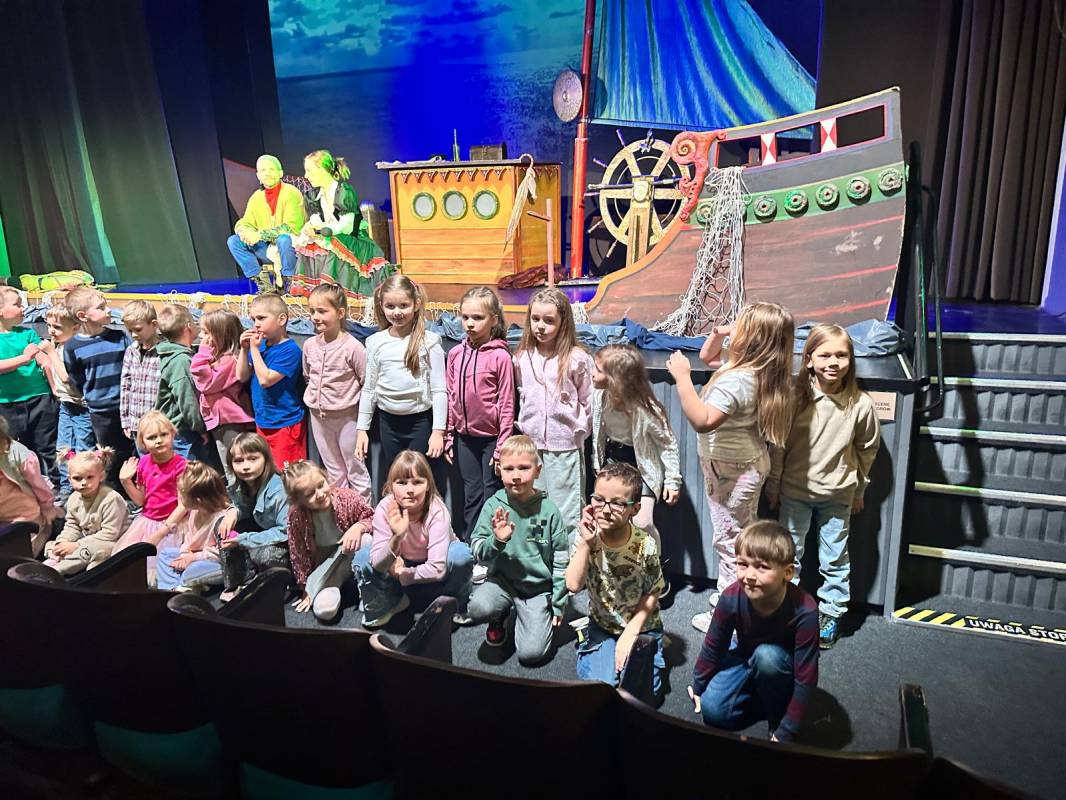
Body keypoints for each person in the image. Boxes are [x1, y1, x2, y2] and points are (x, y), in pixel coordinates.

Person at [666, 302, 794, 633]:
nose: (731, 325)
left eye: (739, 323)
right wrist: (717, 333)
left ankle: (729, 613)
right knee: (738, 534)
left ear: (751, 337)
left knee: (730, 541)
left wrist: (682, 378)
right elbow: (708, 357)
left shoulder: (737, 380)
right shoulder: (751, 369)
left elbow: (702, 420)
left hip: (732, 472)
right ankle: (739, 598)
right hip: (739, 467)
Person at [766, 324, 881, 649]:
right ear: (809, 359)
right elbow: (779, 447)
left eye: (841, 355)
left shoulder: (860, 404)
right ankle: (787, 610)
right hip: (795, 493)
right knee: (790, 555)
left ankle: (831, 613)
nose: (833, 362)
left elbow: (867, 449)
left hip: (838, 495)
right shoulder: (794, 400)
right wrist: (774, 486)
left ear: (851, 359)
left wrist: (859, 490)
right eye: (825, 355)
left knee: (834, 558)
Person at [688, 521, 819, 744]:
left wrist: (786, 730)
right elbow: (714, 645)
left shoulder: (805, 610)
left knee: (767, 657)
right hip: (745, 654)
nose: (749, 575)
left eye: (762, 567)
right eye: (743, 564)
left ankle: (778, 712)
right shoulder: (731, 596)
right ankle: (762, 695)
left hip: (782, 667)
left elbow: (806, 677)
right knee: (713, 711)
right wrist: (699, 685)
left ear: (788, 572)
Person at [566, 462, 667, 698]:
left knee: (647, 694)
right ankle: (593, 647)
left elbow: (653, 592)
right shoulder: (586, 537)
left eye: (618, 503)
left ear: (635, 509)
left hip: (642, 626)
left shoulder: (645, 545)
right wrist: (586, 544)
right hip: (603, 625)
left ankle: (631, 648)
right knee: (602, 689)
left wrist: (630, 632)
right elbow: (572, 585)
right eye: (599, 500)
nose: (606, 509)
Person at [467, 435, 569, 665]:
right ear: (499, 470)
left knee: (531, 654)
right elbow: (477, 550)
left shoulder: (549, 511)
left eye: (524, 468)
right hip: (501, 582)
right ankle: (500, 616)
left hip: (536, 589)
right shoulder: (493, 505)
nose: (516, 476)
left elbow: (562, 559)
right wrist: (496, 541)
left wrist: (558, 602)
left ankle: (532, 618)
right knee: (477, 608)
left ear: (538, 470)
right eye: (509, 469)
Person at [591, 343, 681, 593]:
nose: (592, 375)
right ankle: (616, 571)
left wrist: (673, 480)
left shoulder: (644, 408)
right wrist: (598, 463)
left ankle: (656, 569)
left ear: (615, 378)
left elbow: (667, 443)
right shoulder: (600, 396)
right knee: (608, 518)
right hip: (613, 461)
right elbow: (598, 433)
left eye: (598, 370)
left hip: (642, 467)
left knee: (642, 522)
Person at [355, 450, 473, 628]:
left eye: (417, 482)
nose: (409, 490)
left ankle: (455, 601)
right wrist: (397, 537)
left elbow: (437, 569)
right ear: (391, 486)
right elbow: (377, 564)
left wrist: (403, 574)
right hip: (401, 560)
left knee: (461, 555)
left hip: (432, 562)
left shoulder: (437, 510)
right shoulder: (385, 507)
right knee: (363, 556)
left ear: (428, 485)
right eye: (401, 483)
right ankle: (390, 600)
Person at [513, 287, 594, 532]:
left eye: (549, 321)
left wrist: (579, 432)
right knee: (534, 508)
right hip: (532, 447)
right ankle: (539, 554)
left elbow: (590, 401)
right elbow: (521, 395)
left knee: (566, 513)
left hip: (565, 447)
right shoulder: (522, 358)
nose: (540, 326)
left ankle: (568, 555)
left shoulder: (576, 358)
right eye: (535, 319)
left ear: (563, 323)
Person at [355, 275, 447, 490]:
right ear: (381, 306)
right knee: (396, 479)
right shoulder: (376, 342)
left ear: (416, 304)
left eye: (403, 305)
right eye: (390, 306)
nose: (397, 312)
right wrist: (362, 429)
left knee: (419, 480)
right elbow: (369, 389)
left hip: (420, 423)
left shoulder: (429, 342)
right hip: (388, 423)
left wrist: (438, 431)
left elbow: (439, 391)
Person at [445, 286, 515, 546]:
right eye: (465, 317)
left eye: (478, 317)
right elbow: (451, 396)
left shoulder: (500, 357)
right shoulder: (455, 354)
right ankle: (472, 545)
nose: (470, 324)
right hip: (464, 439)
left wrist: (501, 447)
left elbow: (507, 404)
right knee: (471, 494)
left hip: (491, 440)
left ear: (494, 320)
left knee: (491, 494)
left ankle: (494, 545)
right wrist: (449, 436)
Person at [291, 149, 395, 298]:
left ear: (322, 170)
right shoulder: (314, 196)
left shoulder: (343, 192)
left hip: (353, 241)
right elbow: (316, 220)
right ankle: (314, 294)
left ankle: (332, 293)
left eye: (309, 171)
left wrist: (322, 231)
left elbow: (347, 226)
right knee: (308, 245)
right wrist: (310, 229)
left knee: (335, 242)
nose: (306, 176)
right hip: (329, 237)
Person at [302, 284, 370, 500]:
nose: (315, 317)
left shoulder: (353, 347)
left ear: (340, 313)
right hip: (318, 417)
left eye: (322, 311)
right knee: (333, 470)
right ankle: (341, 510)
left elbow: (366, 382)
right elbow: (308, 375)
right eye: (312, 311)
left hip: (347, 418)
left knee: (355, 468)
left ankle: (363, 513)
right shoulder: (309, 345)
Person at [283, 460, 373, 622]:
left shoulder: (346, 498)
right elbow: (298, 553)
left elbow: (372, 517)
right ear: (298, 500)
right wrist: (306, 586)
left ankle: (368, 590)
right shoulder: (296, 515)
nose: (320, 494)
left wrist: (358, 527)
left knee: (366, 540)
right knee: (324, 610)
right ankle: (335, 588)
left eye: (321, 485)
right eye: (309, 494)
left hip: (350, 554)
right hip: (326, 567)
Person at [62, 287, 134, 489]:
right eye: (101, 307)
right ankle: (115, 494)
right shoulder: (72, 347)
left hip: (128, 406)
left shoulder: (120, 337)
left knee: (134, 449)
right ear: (82, 315)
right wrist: (92, 395)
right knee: (110, 454)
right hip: (101, 411)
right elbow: (76, 377)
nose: (108, 310)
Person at [113, 411, 189, 584]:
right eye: (152, 437)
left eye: (164, 434)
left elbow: (184, 505)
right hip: (147, 522)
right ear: (142, 442)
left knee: (162, 570)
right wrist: (126, 482)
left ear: (172, 434)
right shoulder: (144, 463)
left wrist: (162, 531)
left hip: (173, 524)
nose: (159, 440)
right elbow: (142, 500)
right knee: (131, 566)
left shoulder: (181, 465)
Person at [216, 432, 291, 601]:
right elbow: (243, 506)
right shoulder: (240, 484)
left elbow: (285, 531)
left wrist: (244, 539)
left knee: (267, 555)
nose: (246, 466)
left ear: (265, 459)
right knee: (222, 526)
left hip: (281, 541)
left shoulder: (278, 490)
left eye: (253, 459)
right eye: (238, 461)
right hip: (258, 531)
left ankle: (276, 586)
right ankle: (240, 580)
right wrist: (233, 511)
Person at [236, 293, 306, 468]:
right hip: (263, 420)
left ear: (281, 319)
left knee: (289, 472)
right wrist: (244, 350)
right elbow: (242, 376)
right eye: (253, 319)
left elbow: (265, 380)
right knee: (267, 469)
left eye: (261, 318)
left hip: (285, 423)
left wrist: (254, 349)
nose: (256, 324)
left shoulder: (290, 350)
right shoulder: (259, 346)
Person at [0, 285, 59, 490]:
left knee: (48, 445)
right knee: (19, 449)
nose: (23, 308)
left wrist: (54, 384)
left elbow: (43, 359)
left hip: (39, 397)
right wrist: (24, 358)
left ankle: (58, 485)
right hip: (7, 403)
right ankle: (28, 488)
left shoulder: (27, 333)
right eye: (17, 304)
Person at [38, 304, 96, 504]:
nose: (51, 331)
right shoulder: (59, 346)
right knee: (63, 446)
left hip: (81, 407)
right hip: (66, 404)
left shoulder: (72, 349)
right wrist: (55, 390)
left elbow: (66, 377)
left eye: (57, 327)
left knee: (83, 447)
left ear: (76, 327)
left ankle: (88, 488)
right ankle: (66, 485)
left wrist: (50, 353)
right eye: (49, 326)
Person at [190, 310, 255, 484]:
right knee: (229, 467)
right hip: (220, 423)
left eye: (206, 333)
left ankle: (240, 499)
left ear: (220, 335)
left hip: (230, 422)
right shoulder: (217, 359)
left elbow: (205, 383)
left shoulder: (230, 361)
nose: (201, 337)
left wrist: (203, 352)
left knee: (234, 468)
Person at [227, 154, 306, 294]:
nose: (267, 173)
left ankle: (289, 283)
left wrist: (259, 235)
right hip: (268, 248)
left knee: (284, 239)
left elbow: (292, 227)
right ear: (258, 175)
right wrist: (244, 232)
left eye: (271, 169)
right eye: (263, 170)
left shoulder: (292, 193)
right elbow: (246, 222)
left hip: (291, 248)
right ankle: (264, 284)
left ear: (280, 173)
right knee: (234, 241)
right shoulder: (256, 197)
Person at [44, 448, 128, 575]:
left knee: (87, 552)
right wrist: (63, 541)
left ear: (101, 476)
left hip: (114, 543)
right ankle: (58, 558)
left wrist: (76, 545)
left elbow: (110, 534)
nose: (84, 483)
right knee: (51, 545)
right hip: (87, 541)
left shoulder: (111, 499)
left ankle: (56, 570)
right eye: (77, 478)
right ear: (69, 479)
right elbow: (72, 525)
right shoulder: (73, 499)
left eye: (90, 477)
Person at [156, 462, 234, 593]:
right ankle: (172, 589)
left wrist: (193, 558)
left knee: (192, 570)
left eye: (182, 495)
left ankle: (186, 588)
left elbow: (221, 553)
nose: (179, 498)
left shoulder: (221, 519)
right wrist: (184, 554)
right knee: (166, 554)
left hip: (218, 563)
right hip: (196, 556)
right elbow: (189, 540)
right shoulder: (195, 512)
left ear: (198, 500)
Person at [155, 305, 214, 465]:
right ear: (188, 327)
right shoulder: (181, 361)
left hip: (180, 429)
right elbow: (187, 399)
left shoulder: (172, 354)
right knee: (189, 472)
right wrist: (200, 428)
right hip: (183, 431)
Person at [0, 417, 61, 556]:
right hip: (2, 519)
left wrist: (47, 507)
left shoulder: (18, 455)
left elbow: (38, 485)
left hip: (26, 516)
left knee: (23, 553)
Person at [118, 301, 161, 452]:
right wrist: (126, 420)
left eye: (138, 329)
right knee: (145, 461)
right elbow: (125, 385)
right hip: (137, 424)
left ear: (153, 325)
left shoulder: (164, 352)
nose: (134, 335)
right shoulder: (131, 351)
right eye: (130, 331)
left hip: (159, 425)